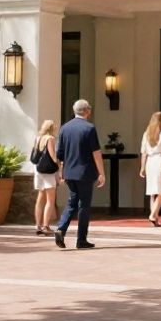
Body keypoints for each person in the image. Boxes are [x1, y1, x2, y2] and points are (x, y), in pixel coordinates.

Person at [54, 100, 105, 250]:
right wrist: (101, 173)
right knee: (84, 206)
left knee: (72, 202)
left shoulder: (65, 128)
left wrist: (62, 172)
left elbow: (60, 154)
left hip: (70, 173)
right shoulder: (89, 128)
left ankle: (61, 229)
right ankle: (81, 239)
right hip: (85, 173)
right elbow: (96, 153)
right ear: (87, 111)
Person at [28, 119, 60, 236]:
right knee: (50, 200)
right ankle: (46, 226)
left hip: (38, 171)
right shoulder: (50, 139)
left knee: (40, 198)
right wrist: (60, 164)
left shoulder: (38, 138)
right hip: (48, 172)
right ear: (51, 128)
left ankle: (38, 225)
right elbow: (52, 156)